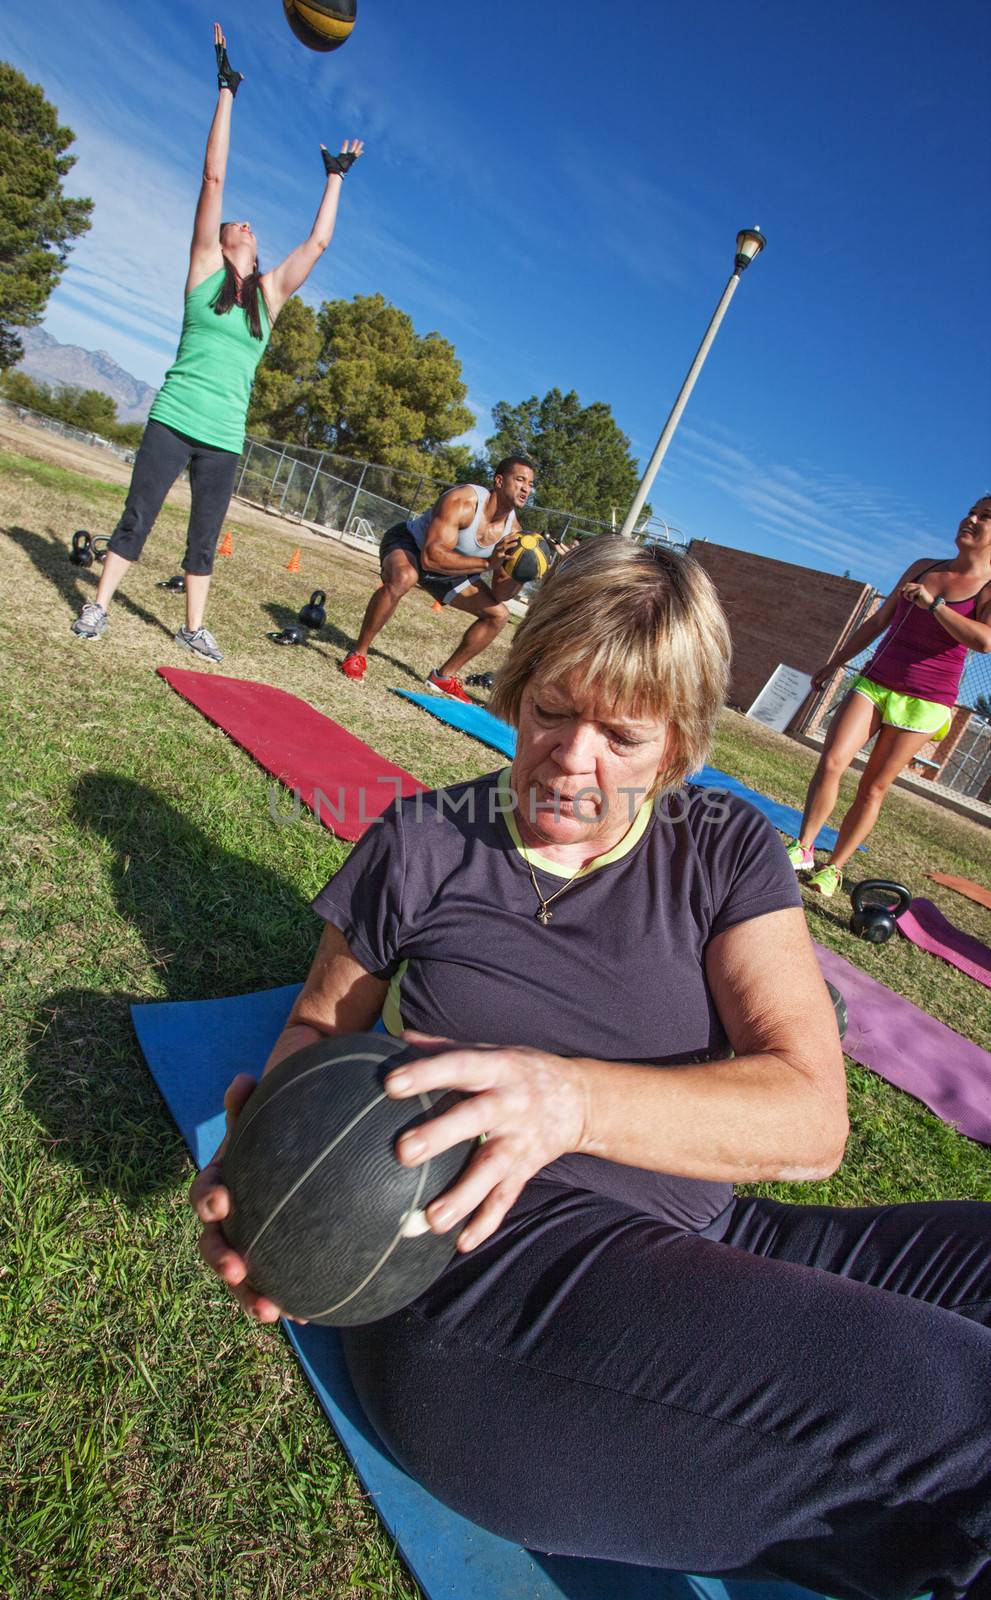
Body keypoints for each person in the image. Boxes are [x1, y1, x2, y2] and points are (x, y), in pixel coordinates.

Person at [193, 537, 991, 1598]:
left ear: (677, 745)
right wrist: (278, 1172)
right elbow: (315, 1029)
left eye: (621, 733)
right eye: (552, 712)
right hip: (486, 1268)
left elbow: (811, 1117)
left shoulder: (723, 846)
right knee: (964, 1415)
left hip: (718, 1234)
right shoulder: (424, 841)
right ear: (515, 691)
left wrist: (563, 1096)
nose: (573, 759)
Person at [70, 24, 363, 662]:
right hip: (174, 418)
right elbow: (212, 178)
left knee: (205, 538)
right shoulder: (203, 269)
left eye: (250, 226)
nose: (246, 222)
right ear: (226, 239)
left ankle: (191, 626)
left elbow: (316, 245)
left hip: (225, 435)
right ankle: (98, 606)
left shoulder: (269, 296)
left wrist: (335, 178)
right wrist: (226, 90)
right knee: (134, 519)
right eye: (240, 222)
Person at [785, 495, 991, 895]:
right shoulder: (923, 567)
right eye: (971, 510)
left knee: (874, 787)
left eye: (985, 517)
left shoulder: (987, 589)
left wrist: (935, 607)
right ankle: (804, 847)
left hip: (927, 699)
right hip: (876, 680)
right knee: (832, 761)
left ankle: (835, 868)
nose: (970, 518)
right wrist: (836, 662)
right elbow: (880, 620)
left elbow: (984, 641)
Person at [339, 457, 536, 701]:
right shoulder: (463, 501)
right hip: (411, 545)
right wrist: (487, 563)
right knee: (405, 577)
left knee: (498, 615)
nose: (526, 488)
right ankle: (358, 654)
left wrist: (522, 573)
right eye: (520, 480)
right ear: (499, 480)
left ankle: (443, 677)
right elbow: (430, 559)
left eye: (530, 484)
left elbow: (502, 593)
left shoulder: (513, 532)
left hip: (451, 569)